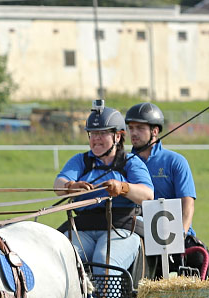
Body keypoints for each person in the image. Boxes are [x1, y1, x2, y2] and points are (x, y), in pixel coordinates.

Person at [53, 100, 154, 274]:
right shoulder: (80, 160)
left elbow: (147, 194)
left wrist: (123, 188)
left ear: (117, 136)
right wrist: (71, 186)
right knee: (59, 256)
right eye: (92, 134)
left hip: (121, 227)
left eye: (102, 133)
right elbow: (58, 186)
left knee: (103, 259)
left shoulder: (131, 162)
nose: (96, 139)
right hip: (82, 227)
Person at [125, 102, 209, 278]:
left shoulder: (176, 162)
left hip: (174, 234)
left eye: (140, 128)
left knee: (200, 259)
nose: (133, 133)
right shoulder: (124, 162)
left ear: (155, 131)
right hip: (138, 235)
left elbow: (187, 204)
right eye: (131, 128)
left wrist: (180, 235)